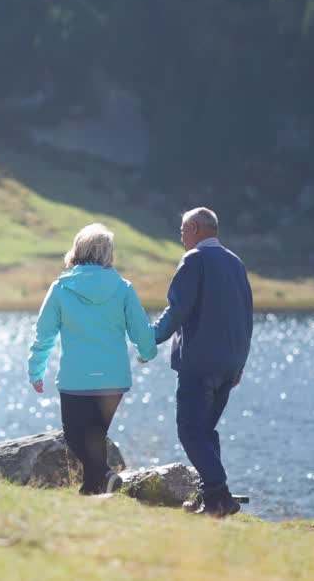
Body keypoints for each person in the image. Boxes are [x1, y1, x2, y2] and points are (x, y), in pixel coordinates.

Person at [28, 223, 158, 495]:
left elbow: (44, 334)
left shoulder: (61, 288)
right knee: (95, 436)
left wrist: (36, 370)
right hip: (113, 380)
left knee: (75, 436)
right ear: (107, 253)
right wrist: (147, 353)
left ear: (78, 249)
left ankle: (104, 476)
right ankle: (93, 487)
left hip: (76, 379)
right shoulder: (123, 288)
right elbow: (141, 330)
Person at [150, 207, 253, 517]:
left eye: (182, 230)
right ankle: (211, 500)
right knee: (205, 432)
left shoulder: (194, 260)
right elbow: (246, 317)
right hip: (230, 364)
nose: (181, 236)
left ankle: (220, 496)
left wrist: (150, 338)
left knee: (191, 431)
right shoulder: (236, 262)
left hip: (199, 363)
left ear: (194, 228)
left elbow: (177, 309)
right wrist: (240, 365)